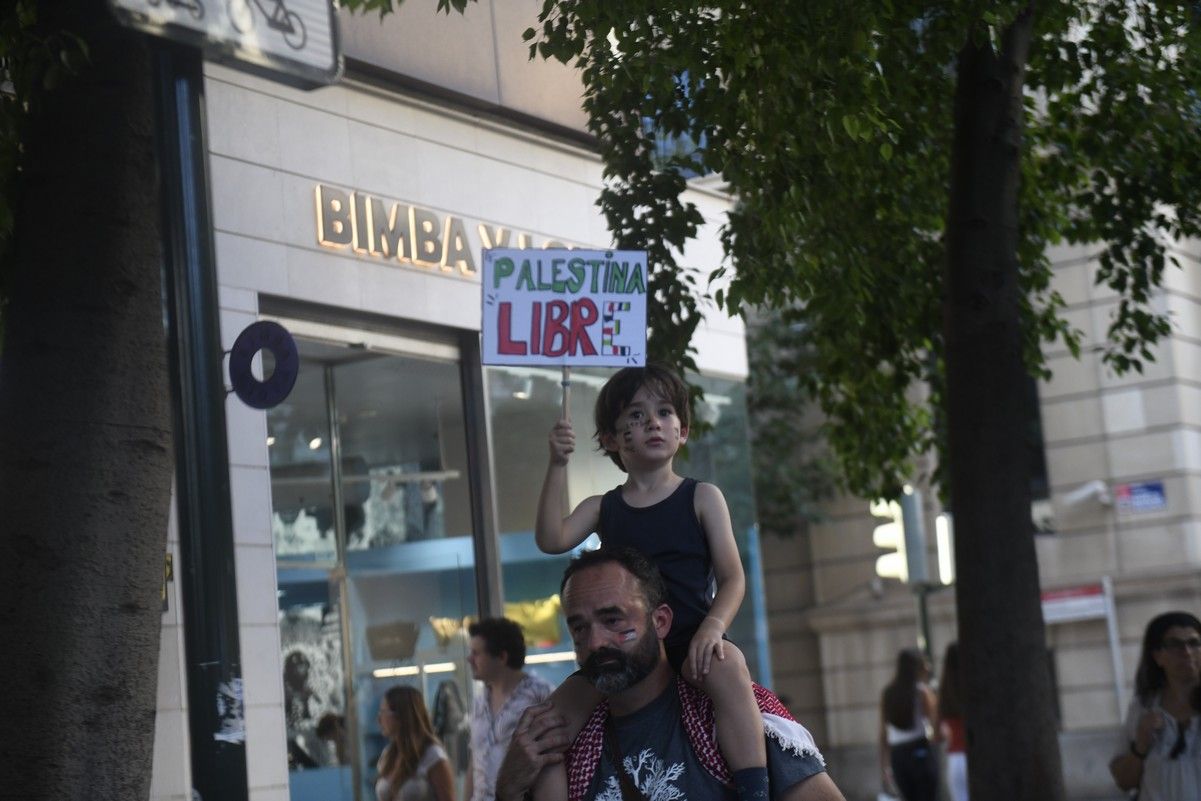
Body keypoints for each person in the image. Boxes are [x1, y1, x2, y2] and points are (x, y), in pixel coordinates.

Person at [536, 364, 767, 800]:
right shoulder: (603, 507)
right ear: (610, 439)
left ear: (683, 432)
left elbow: (733, 577)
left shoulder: (702, 496)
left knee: (731, 668)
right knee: (549, 721)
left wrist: (713, 628)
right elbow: (552, 538)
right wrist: (556, 465)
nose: (653, 423)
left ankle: (755, 790)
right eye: (636, 417)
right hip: (622, 651)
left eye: (664, 412)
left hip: (692, 642)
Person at [494, 546, 845, 801]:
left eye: (613, 620)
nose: (595, 642)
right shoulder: (564, 745)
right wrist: (508, 789)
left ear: (660, 621)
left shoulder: (732, 717)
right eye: (580, 629)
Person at [1108, 611, 1201, 801]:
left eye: (1194, 643)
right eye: (1175, 644)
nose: (1187, 652)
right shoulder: (1143, 708)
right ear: (1158, 656)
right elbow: (1125, 782)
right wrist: (1141, 744)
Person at [465, 617, 555, 801]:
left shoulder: (540, 695)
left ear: (502, 657)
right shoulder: (479, 702)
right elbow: (475, 762)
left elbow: (553, 759)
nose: (469, 659)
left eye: (476, 653)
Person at [878, 648, 938, 801]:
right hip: (919, 749)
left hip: (898, 755)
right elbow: (935, 723)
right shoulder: (922, 692)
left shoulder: (888, 693)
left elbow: (882, 733)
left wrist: (884, 765)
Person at [376, 685, 456, 801]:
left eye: (384, 711)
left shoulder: (433, 755)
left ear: (400, 716)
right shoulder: (388, 756)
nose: (379, 719)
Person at [937, 643, 966, 801]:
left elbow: (936, 734)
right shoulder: (973, 689)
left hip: (955, 759)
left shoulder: (945, 693)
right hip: (975, 756)